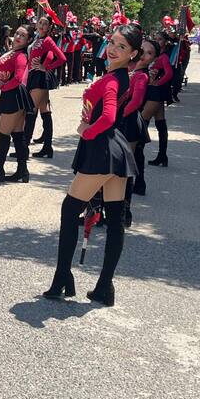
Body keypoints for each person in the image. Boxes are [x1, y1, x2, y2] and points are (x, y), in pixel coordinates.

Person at [42, 24, 142, 307]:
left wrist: (87, 130)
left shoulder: (112, 80)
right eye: (112, 42)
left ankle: (62, 278)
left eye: (122, 47)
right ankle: (103, 287)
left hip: (102, 149)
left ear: (133, 53)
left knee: (70, 209)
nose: (113, 49)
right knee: (115, 220)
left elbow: (108, 117)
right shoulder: (119, 76)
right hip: (116, 150)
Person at [0, 25, 35, 183]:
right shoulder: (13, 52)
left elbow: (18, 78)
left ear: (28, 40)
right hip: (13, 94)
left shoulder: (20, 55)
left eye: (23, 35)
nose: (18, 36)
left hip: (13, 95)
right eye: (17, 33)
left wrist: (3, 86)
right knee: (18, 134)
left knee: (4, 135)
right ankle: (22, 171)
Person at [26, 15, 68, 159]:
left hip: (39, 77)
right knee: (45, 111)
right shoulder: (37, 38)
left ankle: (24, 148)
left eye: (45, 24)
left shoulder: (48, 40)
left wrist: (46, 67)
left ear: (49, 27)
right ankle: (47, 147)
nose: (42, 25)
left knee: (31, 110)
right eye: (40, 22)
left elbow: (62, 58)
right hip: (34, 75)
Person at [119, 39, 149, 224]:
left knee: (124, 168)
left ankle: (124, 212)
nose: (143, 55)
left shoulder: (141, 76)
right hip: (117, 118)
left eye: (149, 53)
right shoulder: (127, 69)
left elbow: (136, 102)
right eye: (141, 50)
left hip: (128, 122)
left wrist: (117, 114)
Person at [145, 36, 174, 167]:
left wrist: (158, 83)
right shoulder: (153, 55)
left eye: (160, 39)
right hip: (152, 91)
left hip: (155, 92)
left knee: (142, 121)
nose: (157, 41)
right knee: (160, 123)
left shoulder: (163, 57)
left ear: (165, 42)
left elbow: (169, 73)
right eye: (156, 39)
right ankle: (162, 155)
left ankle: (136, 151)